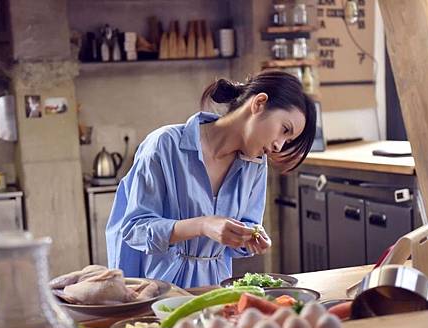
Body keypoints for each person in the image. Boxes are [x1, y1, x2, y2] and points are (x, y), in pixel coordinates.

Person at [106, 70, 317, 288]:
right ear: (259, 103)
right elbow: (134, 229)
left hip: (216, 290)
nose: (279, 146)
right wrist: (203, 225)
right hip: (159, 291)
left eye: (288, 140)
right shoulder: (165, 145)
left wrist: (249, 237)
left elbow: (236, 240)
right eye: (284, 130)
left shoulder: (255, 165)